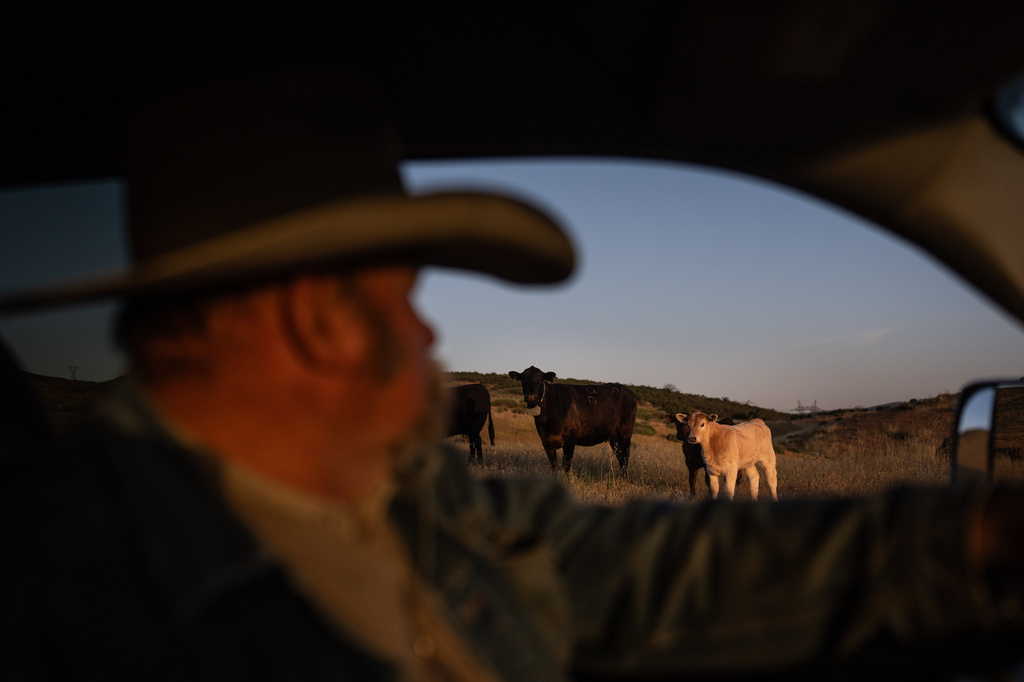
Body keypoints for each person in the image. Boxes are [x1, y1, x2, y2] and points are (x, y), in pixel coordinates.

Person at [1, 70, 1022, 681]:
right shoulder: (73, 609)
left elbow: (655, 574)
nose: (427, 326)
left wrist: (978, 534)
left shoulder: (415, 498)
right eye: (402, 295)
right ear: (318, 321)